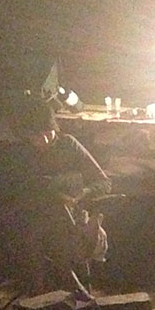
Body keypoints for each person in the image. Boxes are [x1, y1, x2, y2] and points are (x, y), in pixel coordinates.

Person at [10, 96, 111, 296]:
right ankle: (61, 292)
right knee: (44, 232)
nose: (44, 140)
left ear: (54, 127)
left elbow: (104, 182)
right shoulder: (23, 153)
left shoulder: (68, 145)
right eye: (36, 136)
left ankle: (67, 291)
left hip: (70, 217)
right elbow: (16, 191)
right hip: (34, 218)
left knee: (62, 232)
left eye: (48, 132)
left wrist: (84, 193)